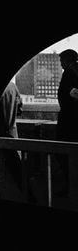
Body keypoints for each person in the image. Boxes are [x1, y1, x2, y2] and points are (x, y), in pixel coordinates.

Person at [0, 81, 25, 202]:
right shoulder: (12, 86)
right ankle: (30, 198)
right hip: (12, 135)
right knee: (17, 172)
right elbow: (20, 109)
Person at [56, 49, 78, 195]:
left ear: (66, 60)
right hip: (73, 122)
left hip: (69, 123)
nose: (60, 64)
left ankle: (71, 187)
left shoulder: (70, 72)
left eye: (61, 61)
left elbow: (67, 96)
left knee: (62, 153)